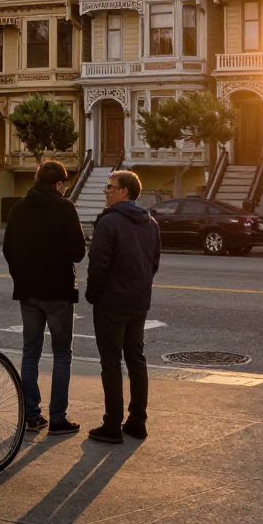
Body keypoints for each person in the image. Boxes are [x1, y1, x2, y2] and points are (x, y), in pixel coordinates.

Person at [3, 160, 87, 436]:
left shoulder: (19, 208)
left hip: (28, 291)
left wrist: (21, 276)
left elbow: (8, 250)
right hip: (58, 291)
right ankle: (58, 418)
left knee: (31, 353)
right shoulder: (64, 208)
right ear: (59, 183)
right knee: (62, 353)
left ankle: (31, 415)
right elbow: (78, 252)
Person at [84, 169, 161, 444]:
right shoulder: (150, 222)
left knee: (111, 363)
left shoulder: (109, 222)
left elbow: (98, 265)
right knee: (136, 360)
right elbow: (154, 263)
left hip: (111, 303)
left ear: (124, 191)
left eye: (110, 187)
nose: (106, 191)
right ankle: (137, 421)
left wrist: (93, 295)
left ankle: (112, 424)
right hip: (138, 302)